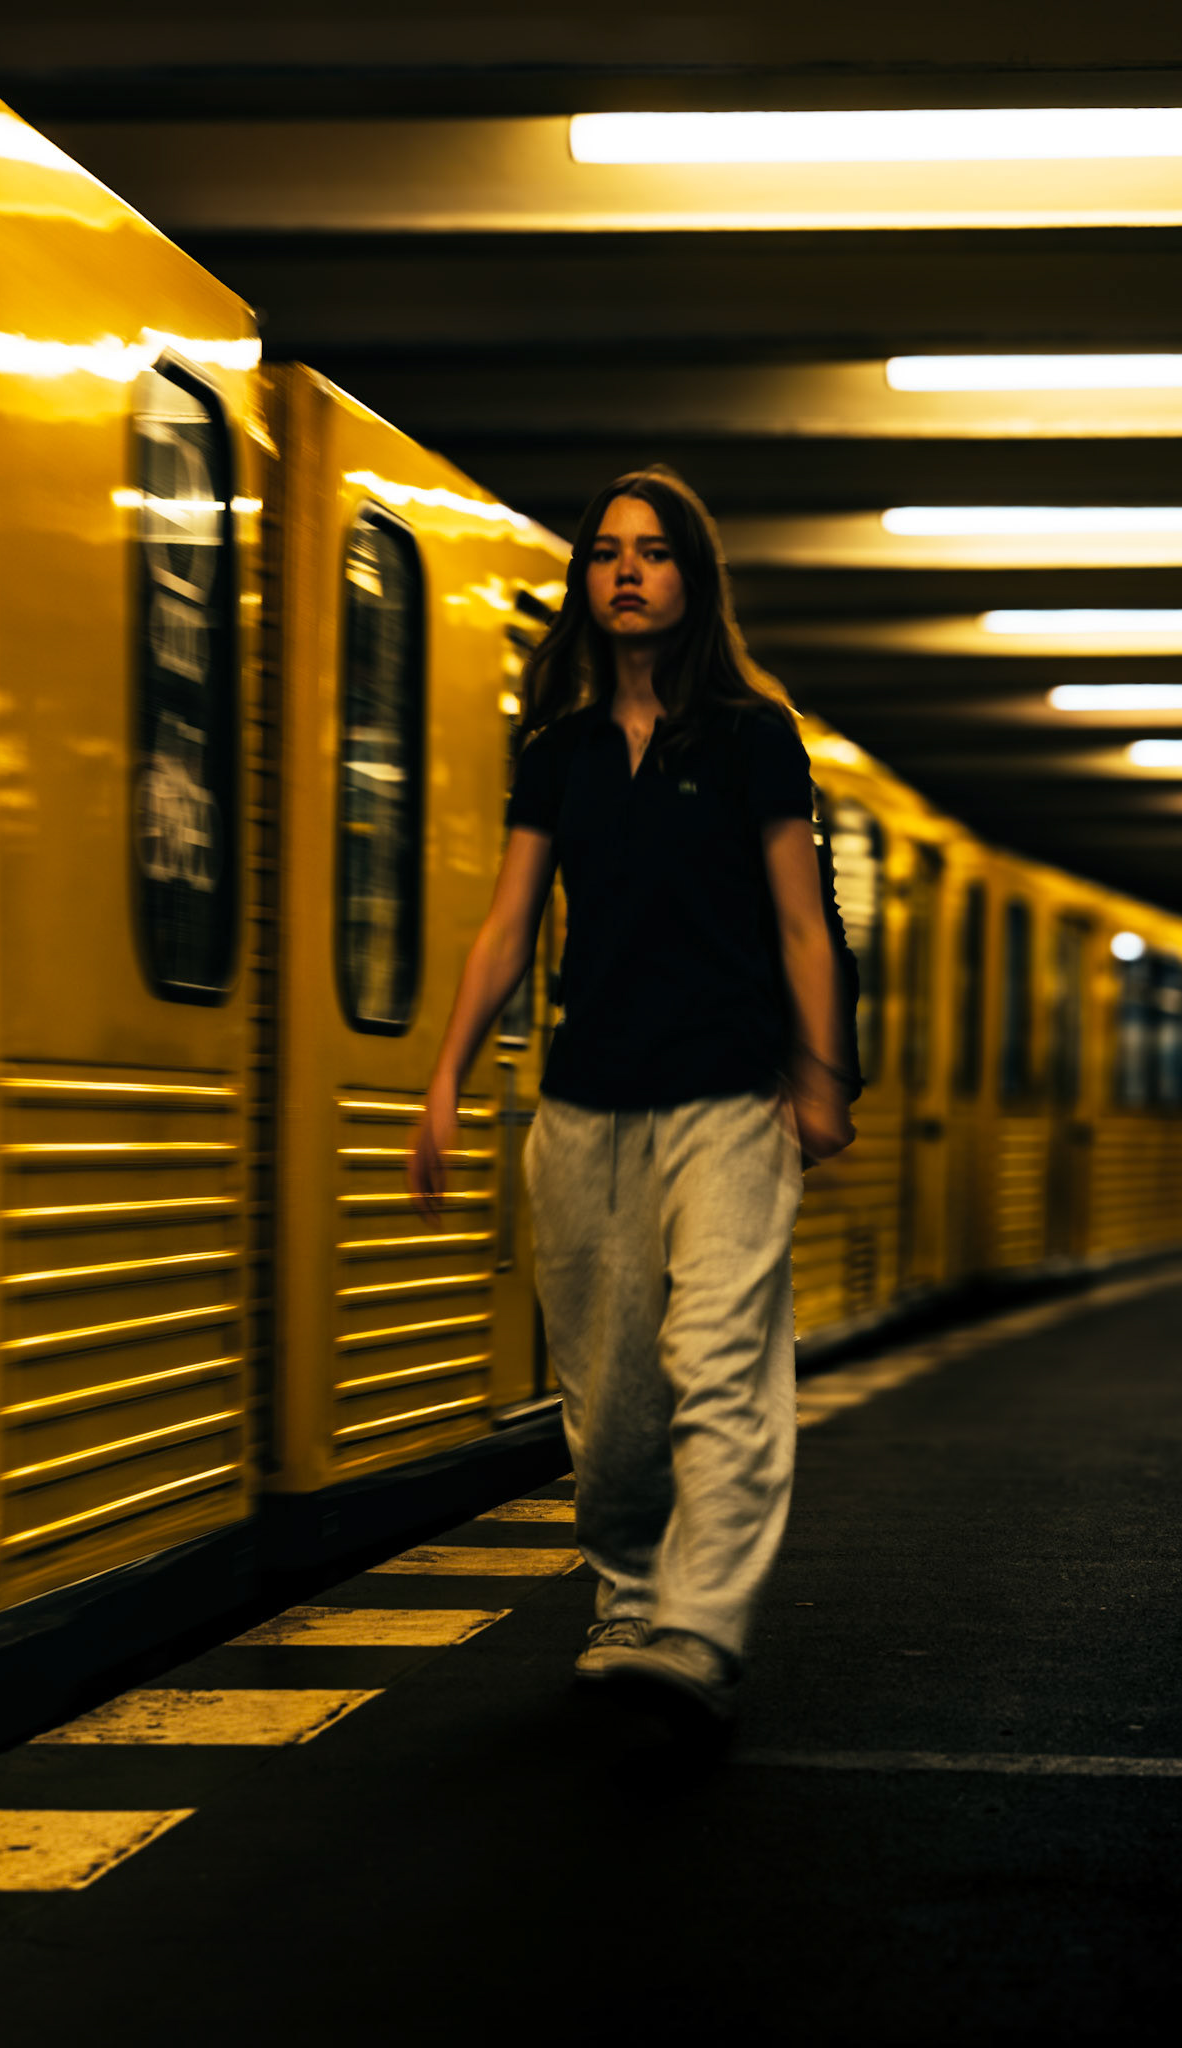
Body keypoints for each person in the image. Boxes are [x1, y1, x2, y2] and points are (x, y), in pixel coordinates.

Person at [409, 465, 856, 1728]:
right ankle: (623, 1596)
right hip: (586, 1103)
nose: (624, 569)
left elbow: (801, 923)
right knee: (608, 1399)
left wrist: (821, 1077)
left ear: (691, 578)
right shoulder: (554, 752)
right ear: (583, 580)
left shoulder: (754, 737)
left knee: (716, 1366)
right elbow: (507, 926)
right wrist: (443, 1076)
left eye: (652, 551)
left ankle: (700, 1622)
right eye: (605, 550)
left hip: (727, 1097)